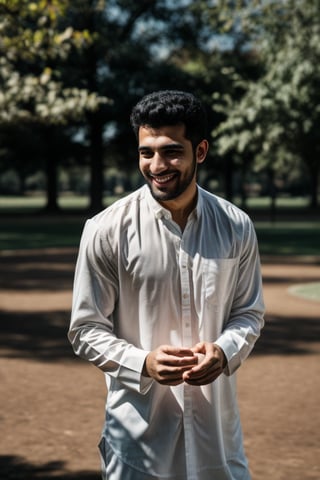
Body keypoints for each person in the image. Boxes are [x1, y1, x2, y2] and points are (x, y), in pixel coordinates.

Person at [68, 90, 265, 480]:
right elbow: (85, 328)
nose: (157, 165)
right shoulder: (106, 230)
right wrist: (143, 363)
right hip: (139, 444)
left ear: (201, 150)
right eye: (147, 152)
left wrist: (224, 352)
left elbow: (249, 312)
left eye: (172, 151)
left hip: (218, 443)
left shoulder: (236, 226)